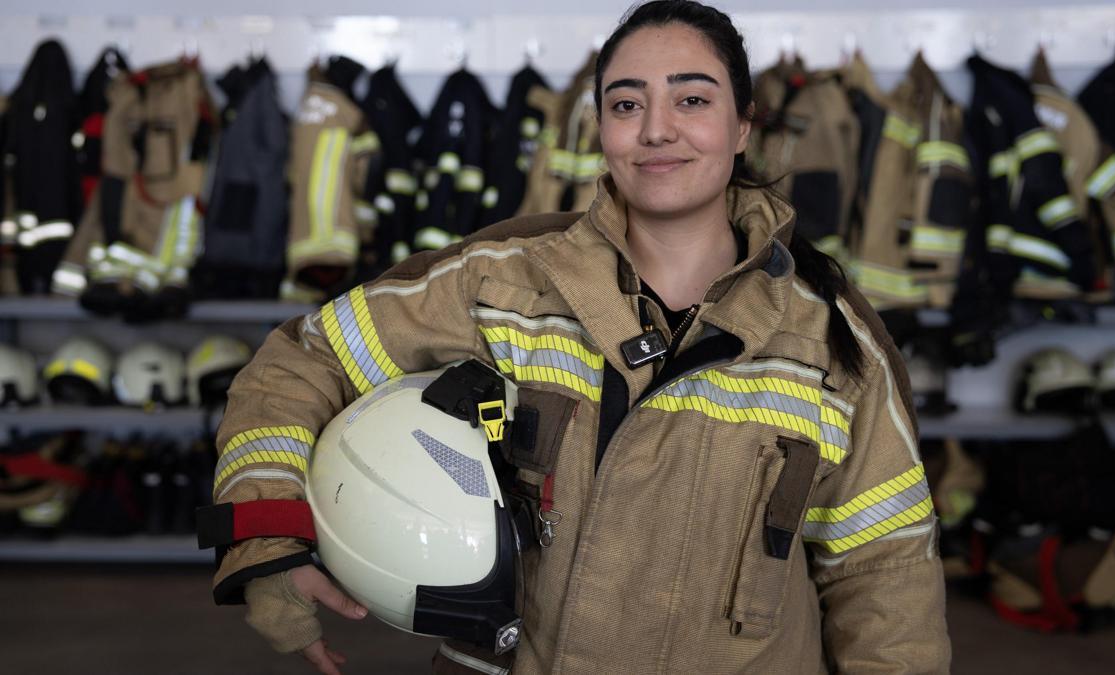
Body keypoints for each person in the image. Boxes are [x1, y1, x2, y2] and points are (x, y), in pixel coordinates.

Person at [208, 2, 952, 673]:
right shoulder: (503, 281)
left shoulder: (833, 341)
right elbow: (303, 359)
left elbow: (885, 580)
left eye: (692, 99)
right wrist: (268, 536)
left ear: (743, 125)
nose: (657, 128)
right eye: (627, 103)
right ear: (600, 128)